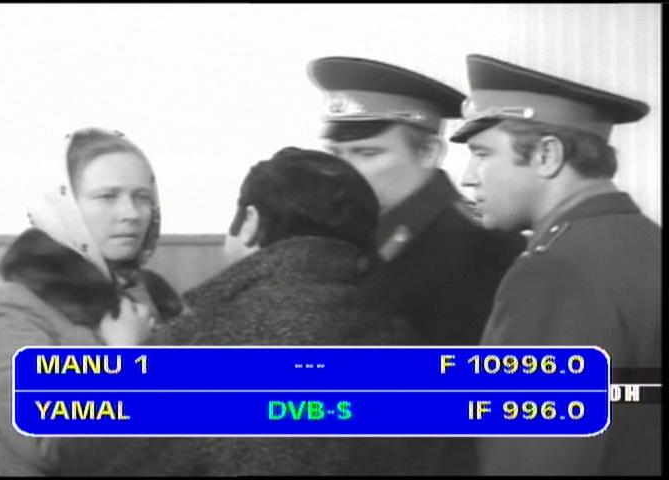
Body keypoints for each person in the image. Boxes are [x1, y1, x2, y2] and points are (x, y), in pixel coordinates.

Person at [57, 147, 437, 476]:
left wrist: (124, 362)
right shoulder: (407, 344)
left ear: (251, 223)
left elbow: (86, 459)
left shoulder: (202, 345)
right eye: (107, 197)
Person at [307, 56, 527, 475]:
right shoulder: (349, 234)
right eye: (334, 154)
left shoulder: (480, 249)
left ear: (429, 152)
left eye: (367, 153)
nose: (341, 172)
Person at [451, 54, 660, 475]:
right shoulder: (647, 242)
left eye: (483, 154)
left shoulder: (553, 274)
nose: (469, 177)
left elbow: (531, 457)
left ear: (547, 154)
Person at [0, 127, 182, 476]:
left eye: (142, 197)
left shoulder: (156, 295)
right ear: (63, 208)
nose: (131, 213)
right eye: (107, 196)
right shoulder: (12, 307)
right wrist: (122, 361)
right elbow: (41, 447)